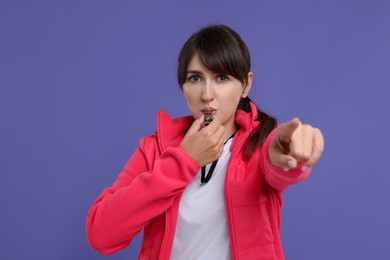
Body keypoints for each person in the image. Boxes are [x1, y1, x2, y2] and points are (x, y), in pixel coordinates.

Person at [86, 24, 324, 260]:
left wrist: (286, 154)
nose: (207, 94)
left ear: (246, 84)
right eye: (196, 78)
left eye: (222, 78)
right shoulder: (155, 148)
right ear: (183, 87)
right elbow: (101, 234)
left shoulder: (262, 144)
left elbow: (279, 166)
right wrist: (183, 161)